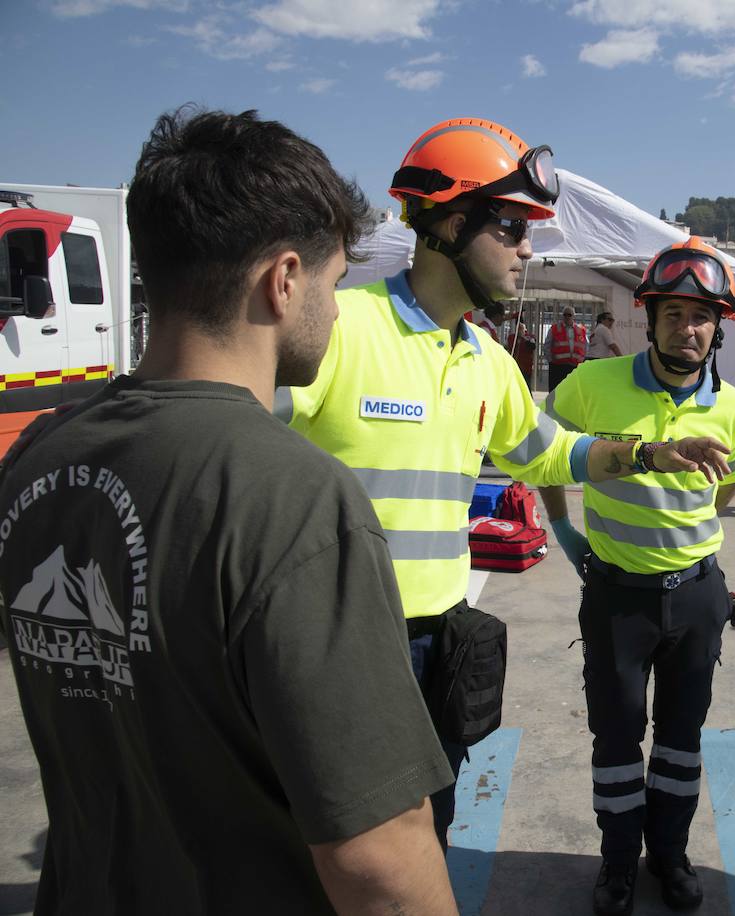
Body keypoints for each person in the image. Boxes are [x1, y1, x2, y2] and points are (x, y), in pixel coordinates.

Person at [0, 107, 459, 914]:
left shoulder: (37, 455)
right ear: (284, 280)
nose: (337, 310)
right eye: (334, 285)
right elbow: (379, 854)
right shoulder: (294, 497)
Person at [278, 117, 732, 849]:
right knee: (336, 851)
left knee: (428, 834)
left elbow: (552, 455)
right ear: (451, 223)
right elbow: (232, 435)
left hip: (440, 642)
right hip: (344, 645)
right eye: (513, 227)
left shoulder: (487, 360)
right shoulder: (341, 330)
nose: (528, 249)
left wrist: (650, 454)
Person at [538, 237, 735, 916]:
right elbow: (546, 455)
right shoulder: (590, 384)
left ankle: (669, 854)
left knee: (681, 739)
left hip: (696, 597)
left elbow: (732, 483)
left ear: (718, 327)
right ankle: (617, 863)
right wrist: (564, 529)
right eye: (674, 315)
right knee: (615, 738)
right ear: (650, 318)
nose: (687, 329)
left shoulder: (734, 407)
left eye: (701, 317)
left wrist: (698, 541)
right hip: (617, 598)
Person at [547, 304, 588, 389]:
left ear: (573, 316)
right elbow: (547, 345)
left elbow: (586, 346)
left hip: (575, 366)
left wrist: (582, 361)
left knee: (572, 390)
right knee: (556, 390)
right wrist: (550, 361)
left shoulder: (581, 330)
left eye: (569, 315)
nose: (567, 317)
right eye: (565, 315)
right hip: (558, 366)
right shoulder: (554, 329)